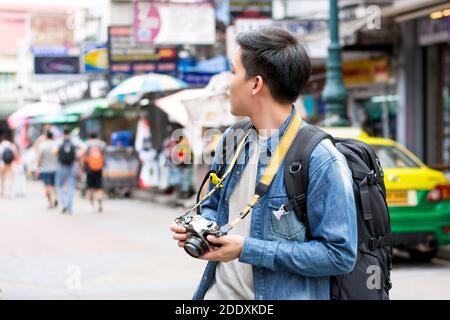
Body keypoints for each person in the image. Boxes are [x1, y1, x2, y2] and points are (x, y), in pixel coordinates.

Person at [170, 28, 358, 300]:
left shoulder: (319, 158)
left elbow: (339, 255)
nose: (227, 84)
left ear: (255, 84)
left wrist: (247, 249)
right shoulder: (231, 140)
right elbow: (214, 205)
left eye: (234, 72)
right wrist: (200, 228)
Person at [55, 128, 78, 215]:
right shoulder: (74, 140)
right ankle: (69, 206)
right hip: (72, 165)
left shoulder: (59, 141)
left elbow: (54, 152)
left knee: (59, 185)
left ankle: (64, 202)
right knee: (71, 186)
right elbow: (83, 148)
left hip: (62, 165)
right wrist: (75, 157)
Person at [82, 132, 106, 213]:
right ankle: (100, 203)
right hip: (99, 168)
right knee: (99, 186)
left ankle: (91, 204)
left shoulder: (87, 144)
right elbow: (105, 154)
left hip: (89, 168)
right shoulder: (101, 144)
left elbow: (82, 154)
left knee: (90, 187)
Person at [37, 130, 58, 208]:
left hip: (45, 169)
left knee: (47, 187)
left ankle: (51, 203)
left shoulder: (43, 145)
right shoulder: (55, 145)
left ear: (46, 137)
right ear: (52, 136)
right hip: (56, 169)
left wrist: (37, 167)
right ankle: (55, 197)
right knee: (55, 185)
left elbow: (39, 158)